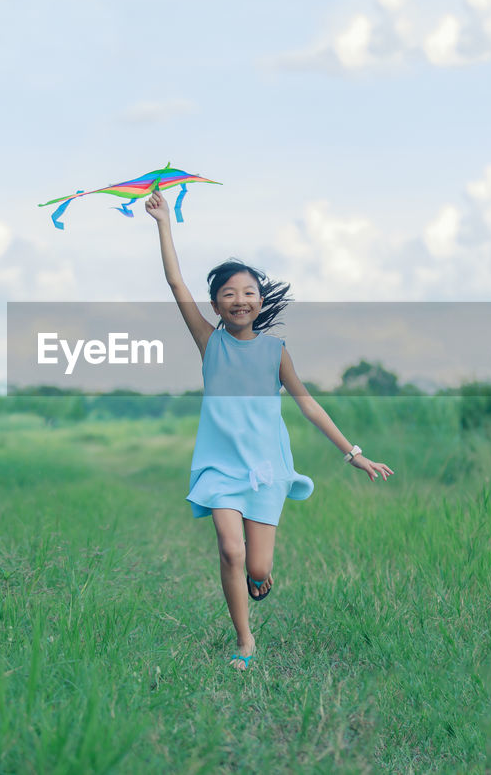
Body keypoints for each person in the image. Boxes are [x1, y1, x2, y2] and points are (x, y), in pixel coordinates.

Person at [144, 189, 395, 671]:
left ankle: (260, 579)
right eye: (229, 294)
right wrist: (163, 224)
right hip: (219, 468)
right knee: (229, 550)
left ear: (260, 300)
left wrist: (354, 453)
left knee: (257, 567)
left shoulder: (275, 350)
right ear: (216, 304)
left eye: (249, 293)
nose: (240, 300)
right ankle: (244, 642)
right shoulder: (209, 342)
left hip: (265, 470)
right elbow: (177, 284)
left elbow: (310, 407)